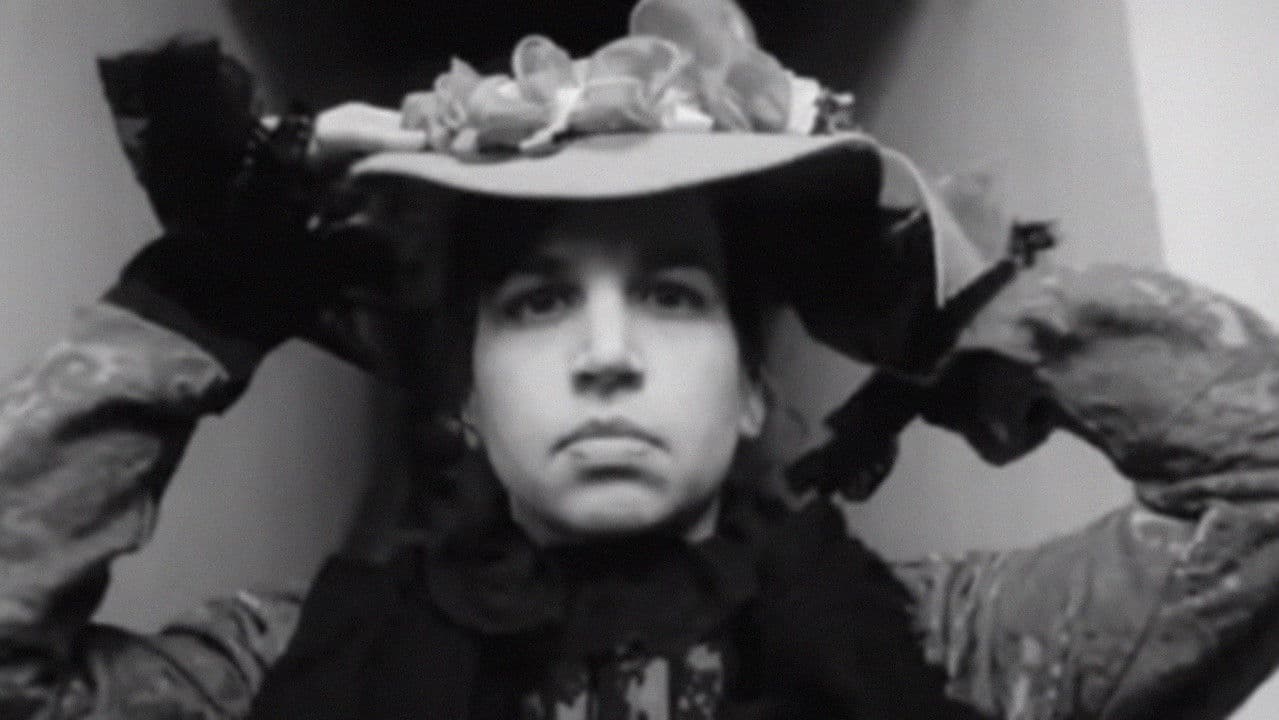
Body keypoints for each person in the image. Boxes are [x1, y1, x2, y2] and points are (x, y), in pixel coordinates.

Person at [3, 1, 1279, 717]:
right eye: (537, 304)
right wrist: (204, 306)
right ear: (463, 399)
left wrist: (946, 303)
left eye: (671, 297)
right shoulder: (282, 670)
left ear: (752, 396)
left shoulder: (958, 650)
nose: (606, 356)